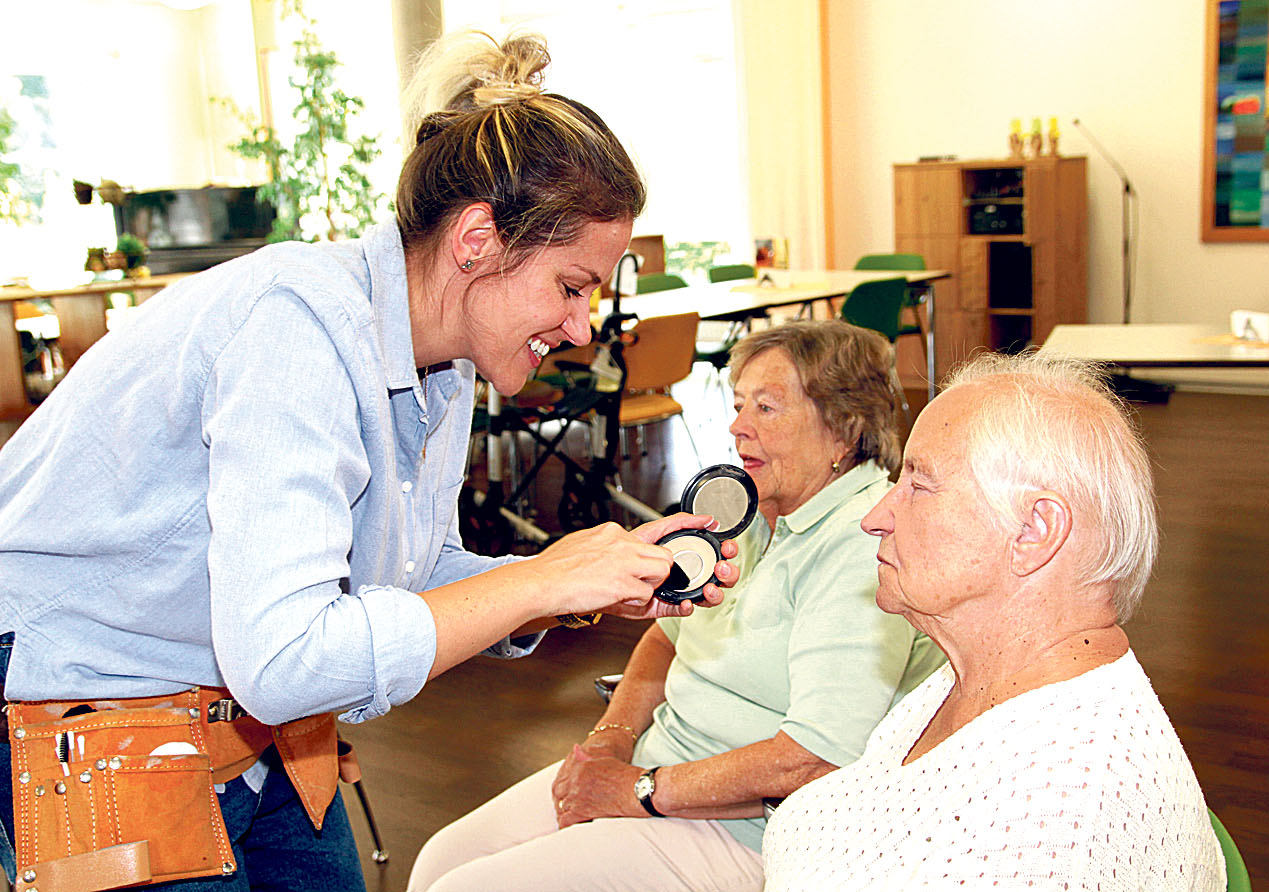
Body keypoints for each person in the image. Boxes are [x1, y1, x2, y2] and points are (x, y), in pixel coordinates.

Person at [0, 31, 735, 892]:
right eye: (570, 287)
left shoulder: (443, 356)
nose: (580, 327)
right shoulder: (296, 328)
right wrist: (540, 583)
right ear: (476, 239)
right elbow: (285, 658)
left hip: (246, 712)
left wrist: (574, 579)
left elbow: (408, 571)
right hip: (95, 705)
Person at [407, 320, 946, 892]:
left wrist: (638, 790)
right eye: (739, 404)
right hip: (656, 766)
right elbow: (665, 639)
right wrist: (612, 738)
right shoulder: (756, 513)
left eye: (766, 408)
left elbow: (813, 759)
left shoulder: (862, 544)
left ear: (843, 429)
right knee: (441, 860)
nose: (738, 427)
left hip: (745, 826)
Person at [762, 351, 1228, 891]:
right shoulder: (977, 676)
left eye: (919, 485)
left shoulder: (1052, 832)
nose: (874, 518)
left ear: (1034, 531)